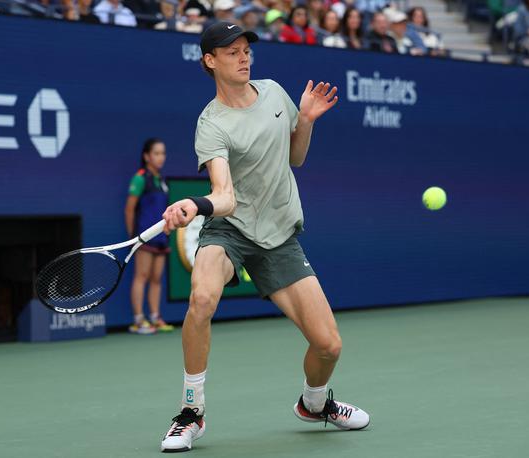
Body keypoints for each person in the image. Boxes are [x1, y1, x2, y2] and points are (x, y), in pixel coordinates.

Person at [159, 21, 370, 453]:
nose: (243, 57)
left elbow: (295, 156)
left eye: (245, 49)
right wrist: (194, 205)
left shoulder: (274, 92)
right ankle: (191, 412)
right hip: (229, 229)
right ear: (209, 61)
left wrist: (306, 119)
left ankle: (314, 404)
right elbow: (225, 198)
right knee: (201, 300)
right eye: (232, 51)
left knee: (329, 346)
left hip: (278, 233)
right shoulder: (211, 123)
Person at [124, 138, 175, 335]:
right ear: (146, 156)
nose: (161, 157)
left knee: (156, 278)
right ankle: (138, 320)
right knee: (142, 276)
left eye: (163, 153)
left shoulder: (161, 181)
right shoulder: (140, 178)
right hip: (144, 236)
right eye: (156, 153)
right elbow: (129, 210)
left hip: (161, 236)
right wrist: (133, 238)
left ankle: (155, 317)